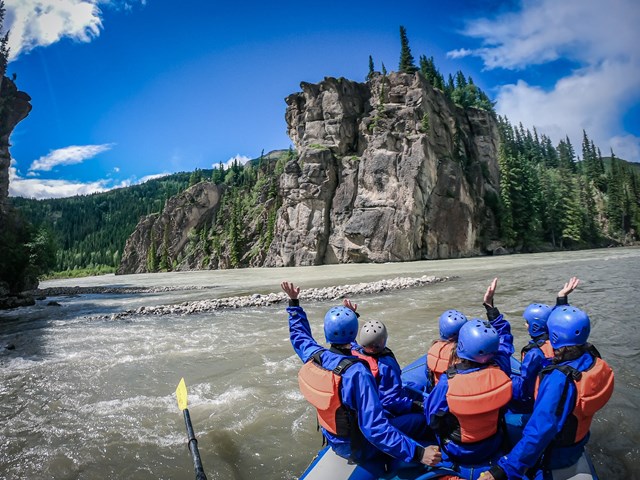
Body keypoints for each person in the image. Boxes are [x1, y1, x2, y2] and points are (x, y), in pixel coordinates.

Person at [281, 281, 441, 475]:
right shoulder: (357, 373)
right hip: (359, 446)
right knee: (419, 421)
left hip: (333, 438)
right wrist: (418, 453)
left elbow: (299, 337)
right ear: (354, 333)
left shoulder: (315, 355)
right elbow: (374, 428)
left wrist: (294, 304)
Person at [483, 306, 615, 480]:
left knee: (503, 422)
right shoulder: (593, 358)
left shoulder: (559, 380)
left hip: (555, 455)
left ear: (554, 337)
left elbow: (539, 431)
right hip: (576, 442)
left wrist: (505, 469)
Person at [423, 317, 513, 480]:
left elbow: (431, 417)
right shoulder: (502, 368)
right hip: (492, 444)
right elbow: (506, 343)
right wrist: (493, 313)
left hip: (458, 451)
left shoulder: (447, 382)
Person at [343, 298, 428, 439]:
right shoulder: (386, 365)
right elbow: (390, 402)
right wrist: (416, 406)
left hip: (371, 402)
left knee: (416, 386)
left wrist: (352, 315)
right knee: (421, 420)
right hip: (382, 413)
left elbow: (349, 340)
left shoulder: (354, 350)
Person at [510, 277, 581, 413]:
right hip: (550, 385)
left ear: (535, 327)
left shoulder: (534, 353)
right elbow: (561, 321)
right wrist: (561, 299)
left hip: (536, 397)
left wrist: (505, 378)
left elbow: (523, 389)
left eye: (527, 322)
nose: (525, 325)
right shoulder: (560, 341)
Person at [425, 309, 468, 392]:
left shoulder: (433, 349)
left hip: (439, 392)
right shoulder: (465, 356)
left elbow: (428, 375)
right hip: (457, 394)